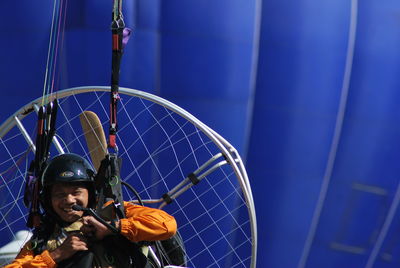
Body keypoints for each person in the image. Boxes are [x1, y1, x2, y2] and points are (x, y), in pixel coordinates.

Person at [5, 153, 177, 268]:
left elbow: (167, 225)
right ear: (48, 200)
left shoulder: (112, 212)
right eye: (60, 194)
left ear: (91, 194)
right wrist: (56, 255)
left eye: (76, 192)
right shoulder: (45, 236)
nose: (69, 200)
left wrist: (112, 227)